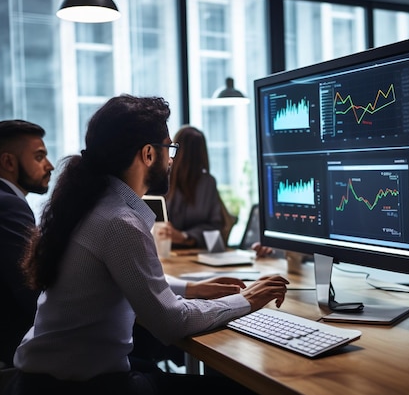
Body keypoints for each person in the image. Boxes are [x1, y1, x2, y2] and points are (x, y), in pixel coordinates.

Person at [6, 94, 289, 395]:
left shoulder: (91, 205)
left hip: (44, 382)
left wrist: (191, 288)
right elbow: (171, 323)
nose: (172, 159)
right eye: (170, 148)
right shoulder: (119, 222)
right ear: (148, 155)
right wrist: (248, 300)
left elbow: (120, 276)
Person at [164, 125, 273, 256]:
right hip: (165, 252)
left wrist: (185, 236)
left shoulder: (207, 183)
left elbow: (215, 227)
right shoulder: (162, 181)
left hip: (199, 253)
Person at [0, 120, 54, 368]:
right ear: (9, 162)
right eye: (39, 156)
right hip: (16, 345)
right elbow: (28, 286)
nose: (50, 165)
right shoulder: (9, 205)